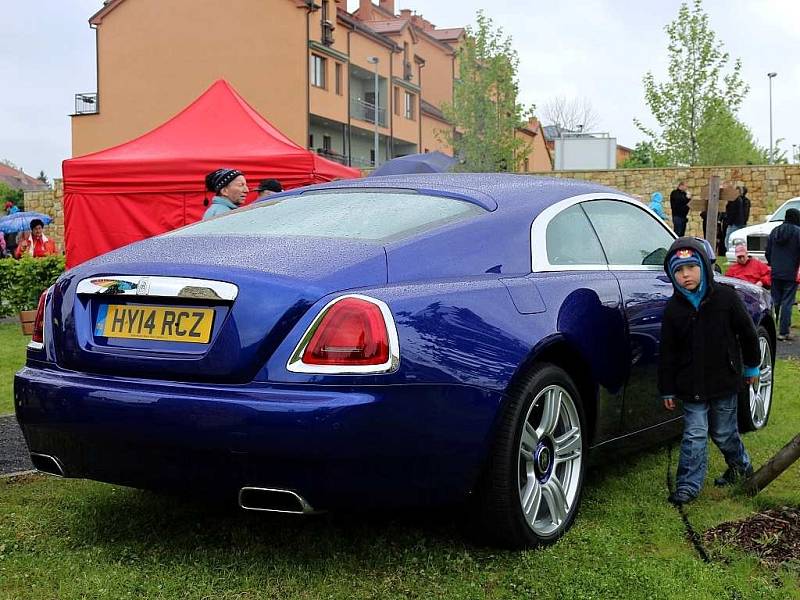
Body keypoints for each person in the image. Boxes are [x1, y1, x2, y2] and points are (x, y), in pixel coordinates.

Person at [658, 237, 760, 505]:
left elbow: (748, 334)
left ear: (703, 266)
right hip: (691, 386)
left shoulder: (726, 297)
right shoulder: (673, 310)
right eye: (678, 271)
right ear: (672, 275)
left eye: (691, 267)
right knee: (694, 434)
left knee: (724, 433)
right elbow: (667, 353)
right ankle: (688, 485)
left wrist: (752, 366)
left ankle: (740, 466)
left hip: (724, 382)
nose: (685, 275)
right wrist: (667, 387)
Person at [765, 207, 800, 341]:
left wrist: (773, 263)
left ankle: (771, 329)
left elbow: (768, 251)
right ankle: (783, 332)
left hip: (775, 271)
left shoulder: (775, 231)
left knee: (775, 301)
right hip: (791, 272)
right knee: (787, 302)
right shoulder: (798, 232)